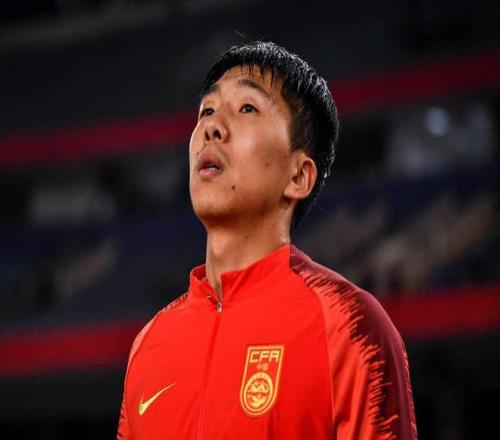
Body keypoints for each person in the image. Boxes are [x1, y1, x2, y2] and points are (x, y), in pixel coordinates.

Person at [117, 41, 417, 439]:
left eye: (247, 108)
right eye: (207, 110)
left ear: (299, 177)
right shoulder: (149, 346)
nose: (211, 127)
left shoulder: (349, 326)